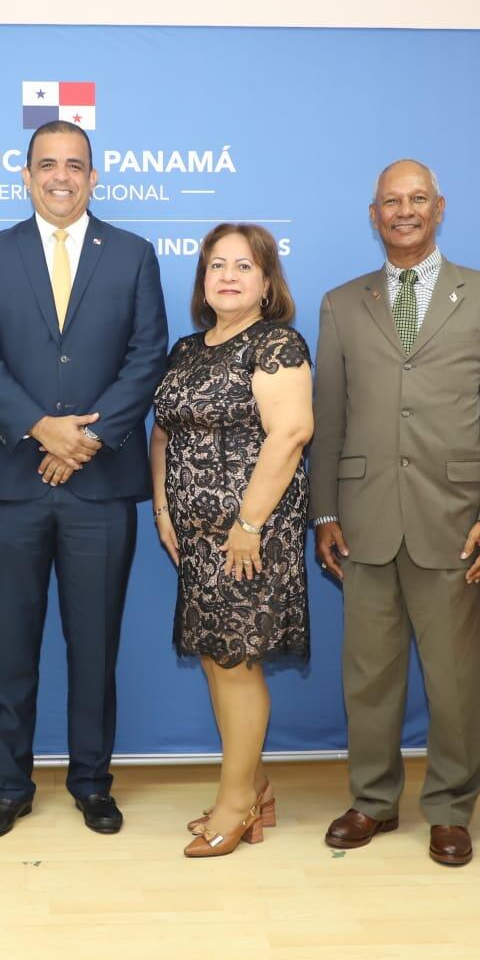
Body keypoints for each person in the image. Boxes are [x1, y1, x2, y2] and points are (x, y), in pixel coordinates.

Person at [0, 120, 169, 839]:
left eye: (75, 165)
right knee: (9, 645)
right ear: (26, 175)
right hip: (15, 483)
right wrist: (42, 429)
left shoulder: (133, 255)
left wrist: (89, 438)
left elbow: (147, 358)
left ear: (94, 177)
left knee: (94, 643)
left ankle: (91, 783)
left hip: (100, 486)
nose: (61, 176)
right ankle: (8, 786)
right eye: (47, 164)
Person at [308, 159, 480, 867]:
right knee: (367, 672)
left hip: (454, 517)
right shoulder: (342, 302)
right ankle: (372, 801)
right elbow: (329, 416)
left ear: (440, 208)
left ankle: (452, 807)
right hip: (363, 516)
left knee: (455, 676)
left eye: (417, 199)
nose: (404, 211)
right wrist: (324, 510)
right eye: (390, 202)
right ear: (373, 215)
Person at [151, 223, 312, 858]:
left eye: (243, 266)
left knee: (238, 662)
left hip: (250, 534)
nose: (227, 276)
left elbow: (291, 432)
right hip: (193, 535)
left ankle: (237, 801)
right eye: (216, 265)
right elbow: (163, 432)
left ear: (267, 281)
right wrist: (164, 507)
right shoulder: (188, 350)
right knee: (220, 659)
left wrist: (247, 525)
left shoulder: (276, 344)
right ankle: (253, 786)